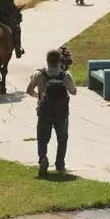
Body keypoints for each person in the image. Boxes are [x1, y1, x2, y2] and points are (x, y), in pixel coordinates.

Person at [26, 49, 77, 177]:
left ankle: (43, 158)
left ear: (47, 61)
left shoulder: (39, 74)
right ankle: (60, 165)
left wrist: (39, 96)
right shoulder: (65, 75)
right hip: (61, 112)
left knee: (42, 139)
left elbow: (29, 90)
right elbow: (73, 91)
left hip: (44, 111)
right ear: (60, 61)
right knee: (62, 139)